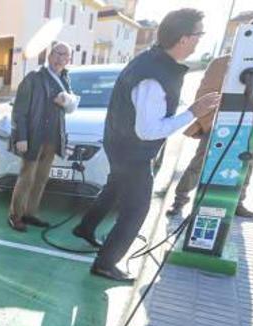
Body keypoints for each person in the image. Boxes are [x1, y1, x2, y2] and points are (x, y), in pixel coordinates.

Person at [72, 8, 221, 282]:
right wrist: (193, 112)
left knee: (113, 188)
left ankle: (85, 228)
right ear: (184, 38)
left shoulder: (149, 62)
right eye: (199, 35)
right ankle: (105, 263)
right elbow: (148, 130)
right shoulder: (155, 75)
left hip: (117, 144)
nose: (200, 40)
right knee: (136, 210)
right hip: (133, 153)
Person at [166, 14, 253, 219]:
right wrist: (209, 124)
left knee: (246, 163)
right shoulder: (223, 63)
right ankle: (180, 201)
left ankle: (237, 202)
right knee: (201, 162)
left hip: (251, 124)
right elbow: (206, 93)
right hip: (219, 124)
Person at [8, 41, 80, 232]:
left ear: (68, 60)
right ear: (49, 56)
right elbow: (19, 111)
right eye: (58, 54)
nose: (60, 59)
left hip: (52, 139)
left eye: (65, 56)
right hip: (33, 137)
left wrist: (65, 101)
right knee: (26, 178)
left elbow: (70, 106)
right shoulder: (33, 78)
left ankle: (30, 213)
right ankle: (15, 216)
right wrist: (21, 137)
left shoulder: (65, 79)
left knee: (41, 179)